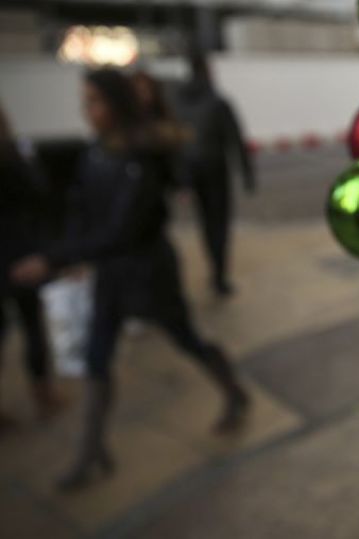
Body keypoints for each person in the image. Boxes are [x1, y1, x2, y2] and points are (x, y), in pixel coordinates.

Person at [11, 69, 249, 490]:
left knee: (186, 339)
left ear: (117, 104)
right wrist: (66, 253)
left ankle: (232, 391)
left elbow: (122, 227)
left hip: (149, 272)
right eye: (86, 102)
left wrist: (54, 259)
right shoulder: (97, 152)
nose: (87, 111)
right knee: (98, 360)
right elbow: (82, 210)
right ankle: (91, 452)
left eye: (95, 102)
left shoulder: (141, 154)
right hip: (111, 274)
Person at [0, 105, 63, 426]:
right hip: (17, 254)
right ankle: (42, 392)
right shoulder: (12, 158)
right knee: (31, 324)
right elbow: (39, 193)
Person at [175, 51, 255, 296]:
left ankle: (214, 267)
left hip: (193, 171)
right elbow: (235, 140)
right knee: (219, 223)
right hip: (215, 171)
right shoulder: (217, 102)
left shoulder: (180, 103)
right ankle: (219, 276)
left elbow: (177, 143)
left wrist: (182, 179)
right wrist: (247, 174)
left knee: (206, 224)